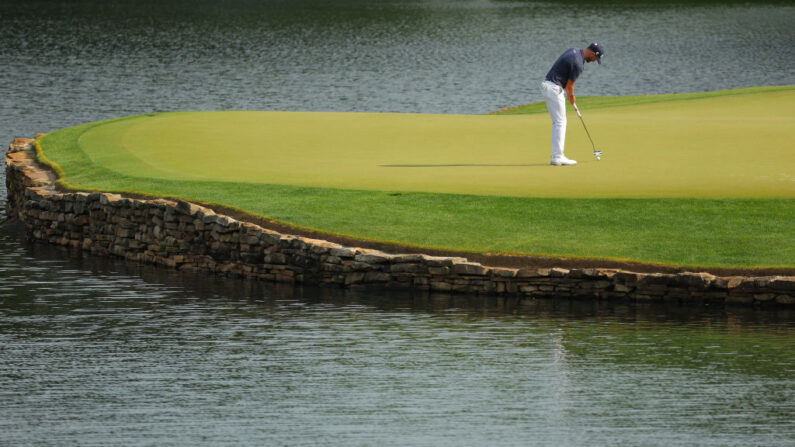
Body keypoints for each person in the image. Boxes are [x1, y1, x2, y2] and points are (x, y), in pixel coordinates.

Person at [541, 43, 604, 166]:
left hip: (547, 86)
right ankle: (558, 157)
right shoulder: (579, 64)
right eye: (596, 58)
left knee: (558, 122)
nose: (594, 61)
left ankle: (557, 155)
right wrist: (572, 98)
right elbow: (570, 86)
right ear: (592, 54)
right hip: (554, 88)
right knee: (560, 122)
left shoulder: (574, 50)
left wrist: (569, 96)